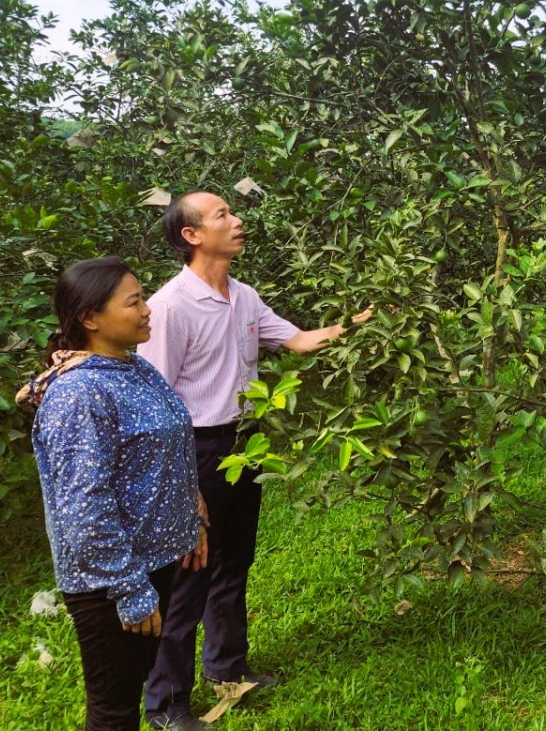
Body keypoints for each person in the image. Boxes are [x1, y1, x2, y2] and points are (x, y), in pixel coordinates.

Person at [140, 191, 371, 730]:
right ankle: (167, 701)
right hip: (193, 448)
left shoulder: (243, 295)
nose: (237, 220)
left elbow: (297, 341)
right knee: (188, 573)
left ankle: (227, 667)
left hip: (244, 441)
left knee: (233, 559)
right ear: (192, 235)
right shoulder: (172, 305)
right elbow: (156, 402)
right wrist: (180, 480)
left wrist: (355, 326)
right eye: (222, 214)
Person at [18, 256, 207, 731]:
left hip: (150, 563)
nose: (148, 310)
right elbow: (84, 507)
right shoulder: (79, 394)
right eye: (135, 301)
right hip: (110, 580)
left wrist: (192, 512)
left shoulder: (134, 368)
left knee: (131, 685)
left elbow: (166, 447)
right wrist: (128, 588)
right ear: (89, 318)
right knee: (114, 709)